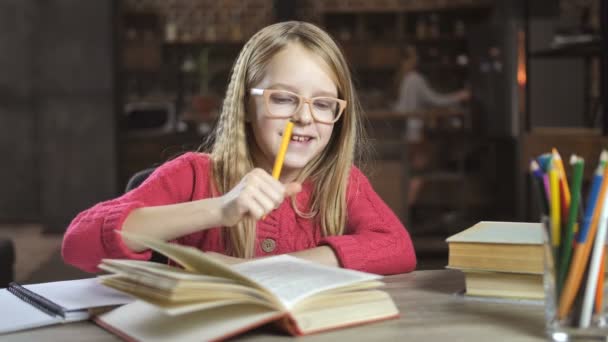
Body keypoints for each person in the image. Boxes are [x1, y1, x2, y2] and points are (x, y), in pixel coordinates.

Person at [62, 21, 416, 275]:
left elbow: (398, 249)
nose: (305, 117)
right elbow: (78, 244)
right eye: (283, 99)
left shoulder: (342, 182)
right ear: (247, 105)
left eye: (323, 104)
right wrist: (219, 208)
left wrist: (260, 269)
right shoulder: (194, 175)